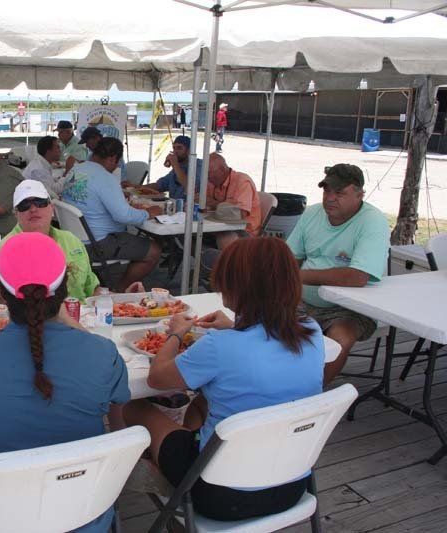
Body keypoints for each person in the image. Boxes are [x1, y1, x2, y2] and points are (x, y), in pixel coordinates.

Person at [0, 232, 130, 532]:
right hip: (78, 515)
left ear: (0, 294)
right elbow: (119, 415)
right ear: (65, 290)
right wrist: (66, 317)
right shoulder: (102, 354)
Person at [123, 237, 324, 522]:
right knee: (201, 404)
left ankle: (148, 476)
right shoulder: (312, 331)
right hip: (291, 484)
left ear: (236, 287)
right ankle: (179, 455)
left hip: (220, 495)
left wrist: (176, 332)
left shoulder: (219, 346)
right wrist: (235, 327)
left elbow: (157, 378)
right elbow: (262, 346)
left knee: (133, 406)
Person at [286, 164, 390, 384]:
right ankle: (279, 384)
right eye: (327, 191)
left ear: (360, 195)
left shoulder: (373, 221)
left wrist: (301, 277)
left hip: (351, 308)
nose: (330, 198)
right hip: (303, 300)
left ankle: (311, 395)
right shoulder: (312, 213)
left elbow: (358, 277)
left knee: (340, 337)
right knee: (266, 323)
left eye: (340, 193)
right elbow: (290, 259)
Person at [61, 137, 163, 292]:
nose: (116, 167)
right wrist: (147, 212)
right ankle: (120, 291)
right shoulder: (105, 178)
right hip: (98, 243)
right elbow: (124, 216)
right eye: (117, 163)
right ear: (112, 158)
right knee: (154, 251)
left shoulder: (76, 170)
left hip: (74, 241)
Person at [0, 179, 99, 302]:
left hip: (82, 315)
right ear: (16, 214)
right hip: (30, 319)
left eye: (40, 202)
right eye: (24, 205)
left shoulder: (71, 240)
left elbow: (92, 287)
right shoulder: (4, 250)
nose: (33, 209)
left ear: (52, 208)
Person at [206, 152, 261, 246]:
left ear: (223, 170)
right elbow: (206, 205)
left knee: (225, 238)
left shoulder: (242, 181)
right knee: (188, 234)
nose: (207, 177)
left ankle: (226, 260)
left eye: (209, 173)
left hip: (243, 230)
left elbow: (240, 214)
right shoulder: (212, 181)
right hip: (219, 226)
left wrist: (214, 204)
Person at [144, 135, 204, 200]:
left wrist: (175, 165)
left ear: (189, 151)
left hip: (190, 207)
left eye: (179, 148)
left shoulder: (199, 165)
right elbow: (159, 185)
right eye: (174, 148)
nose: (175, 152)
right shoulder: (177, 168)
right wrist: (137, 187)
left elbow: (191, 188)